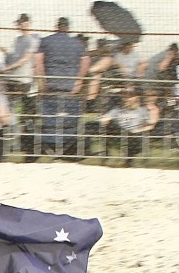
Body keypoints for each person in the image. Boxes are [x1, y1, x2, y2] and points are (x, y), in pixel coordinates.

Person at [34, 16, 90, 159]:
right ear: (68, 28)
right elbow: (86, 61)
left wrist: (42, 81)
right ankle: (67, 148)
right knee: (69, 119)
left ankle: (50, 148)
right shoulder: (77, 44)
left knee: (50, 119)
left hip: (51, 85)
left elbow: (38, 61)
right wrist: (79, 80)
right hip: (70, 86)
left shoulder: (46, 41)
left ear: (56, 26)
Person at [84, 87, 157, 163]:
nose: (126, 99)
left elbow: (151, 125)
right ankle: (85, 151)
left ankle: (128, 160)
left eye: (129, 97)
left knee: (120, 129)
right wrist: (103, 120)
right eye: (124, 96)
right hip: (117, 133)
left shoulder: (142, 111)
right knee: (89, 125)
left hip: (133, 136)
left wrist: (138, 130)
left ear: (137, 98)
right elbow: (105, 118)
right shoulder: (117, 110)